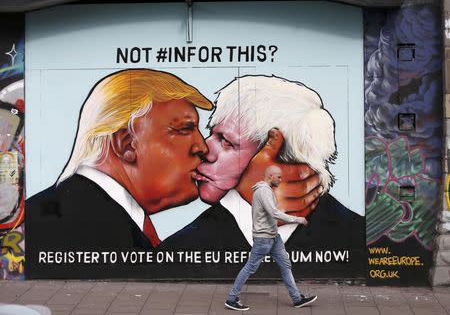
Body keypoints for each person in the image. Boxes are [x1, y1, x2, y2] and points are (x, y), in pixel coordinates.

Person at [161, 75, 365, 279]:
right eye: (212, 133)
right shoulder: (360, 235)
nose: (205, 149)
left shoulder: (354, 235)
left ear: (280, 158)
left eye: (226, 141)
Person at [25, 69, 213, 278]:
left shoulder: (69, 210)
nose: (202, 147)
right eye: (185, 129)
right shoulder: (82, 224)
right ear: (126, 144)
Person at [225, 165, 317, 311]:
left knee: (286, 266)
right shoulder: (263, 191)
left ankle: (297, 299)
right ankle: (231, 299)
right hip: (263, 239)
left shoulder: (266, 190)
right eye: (278, 177)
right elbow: (274, 213)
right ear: (270, 177)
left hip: (274, 237)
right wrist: (298, 219)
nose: (281, 180)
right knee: (249, 268)